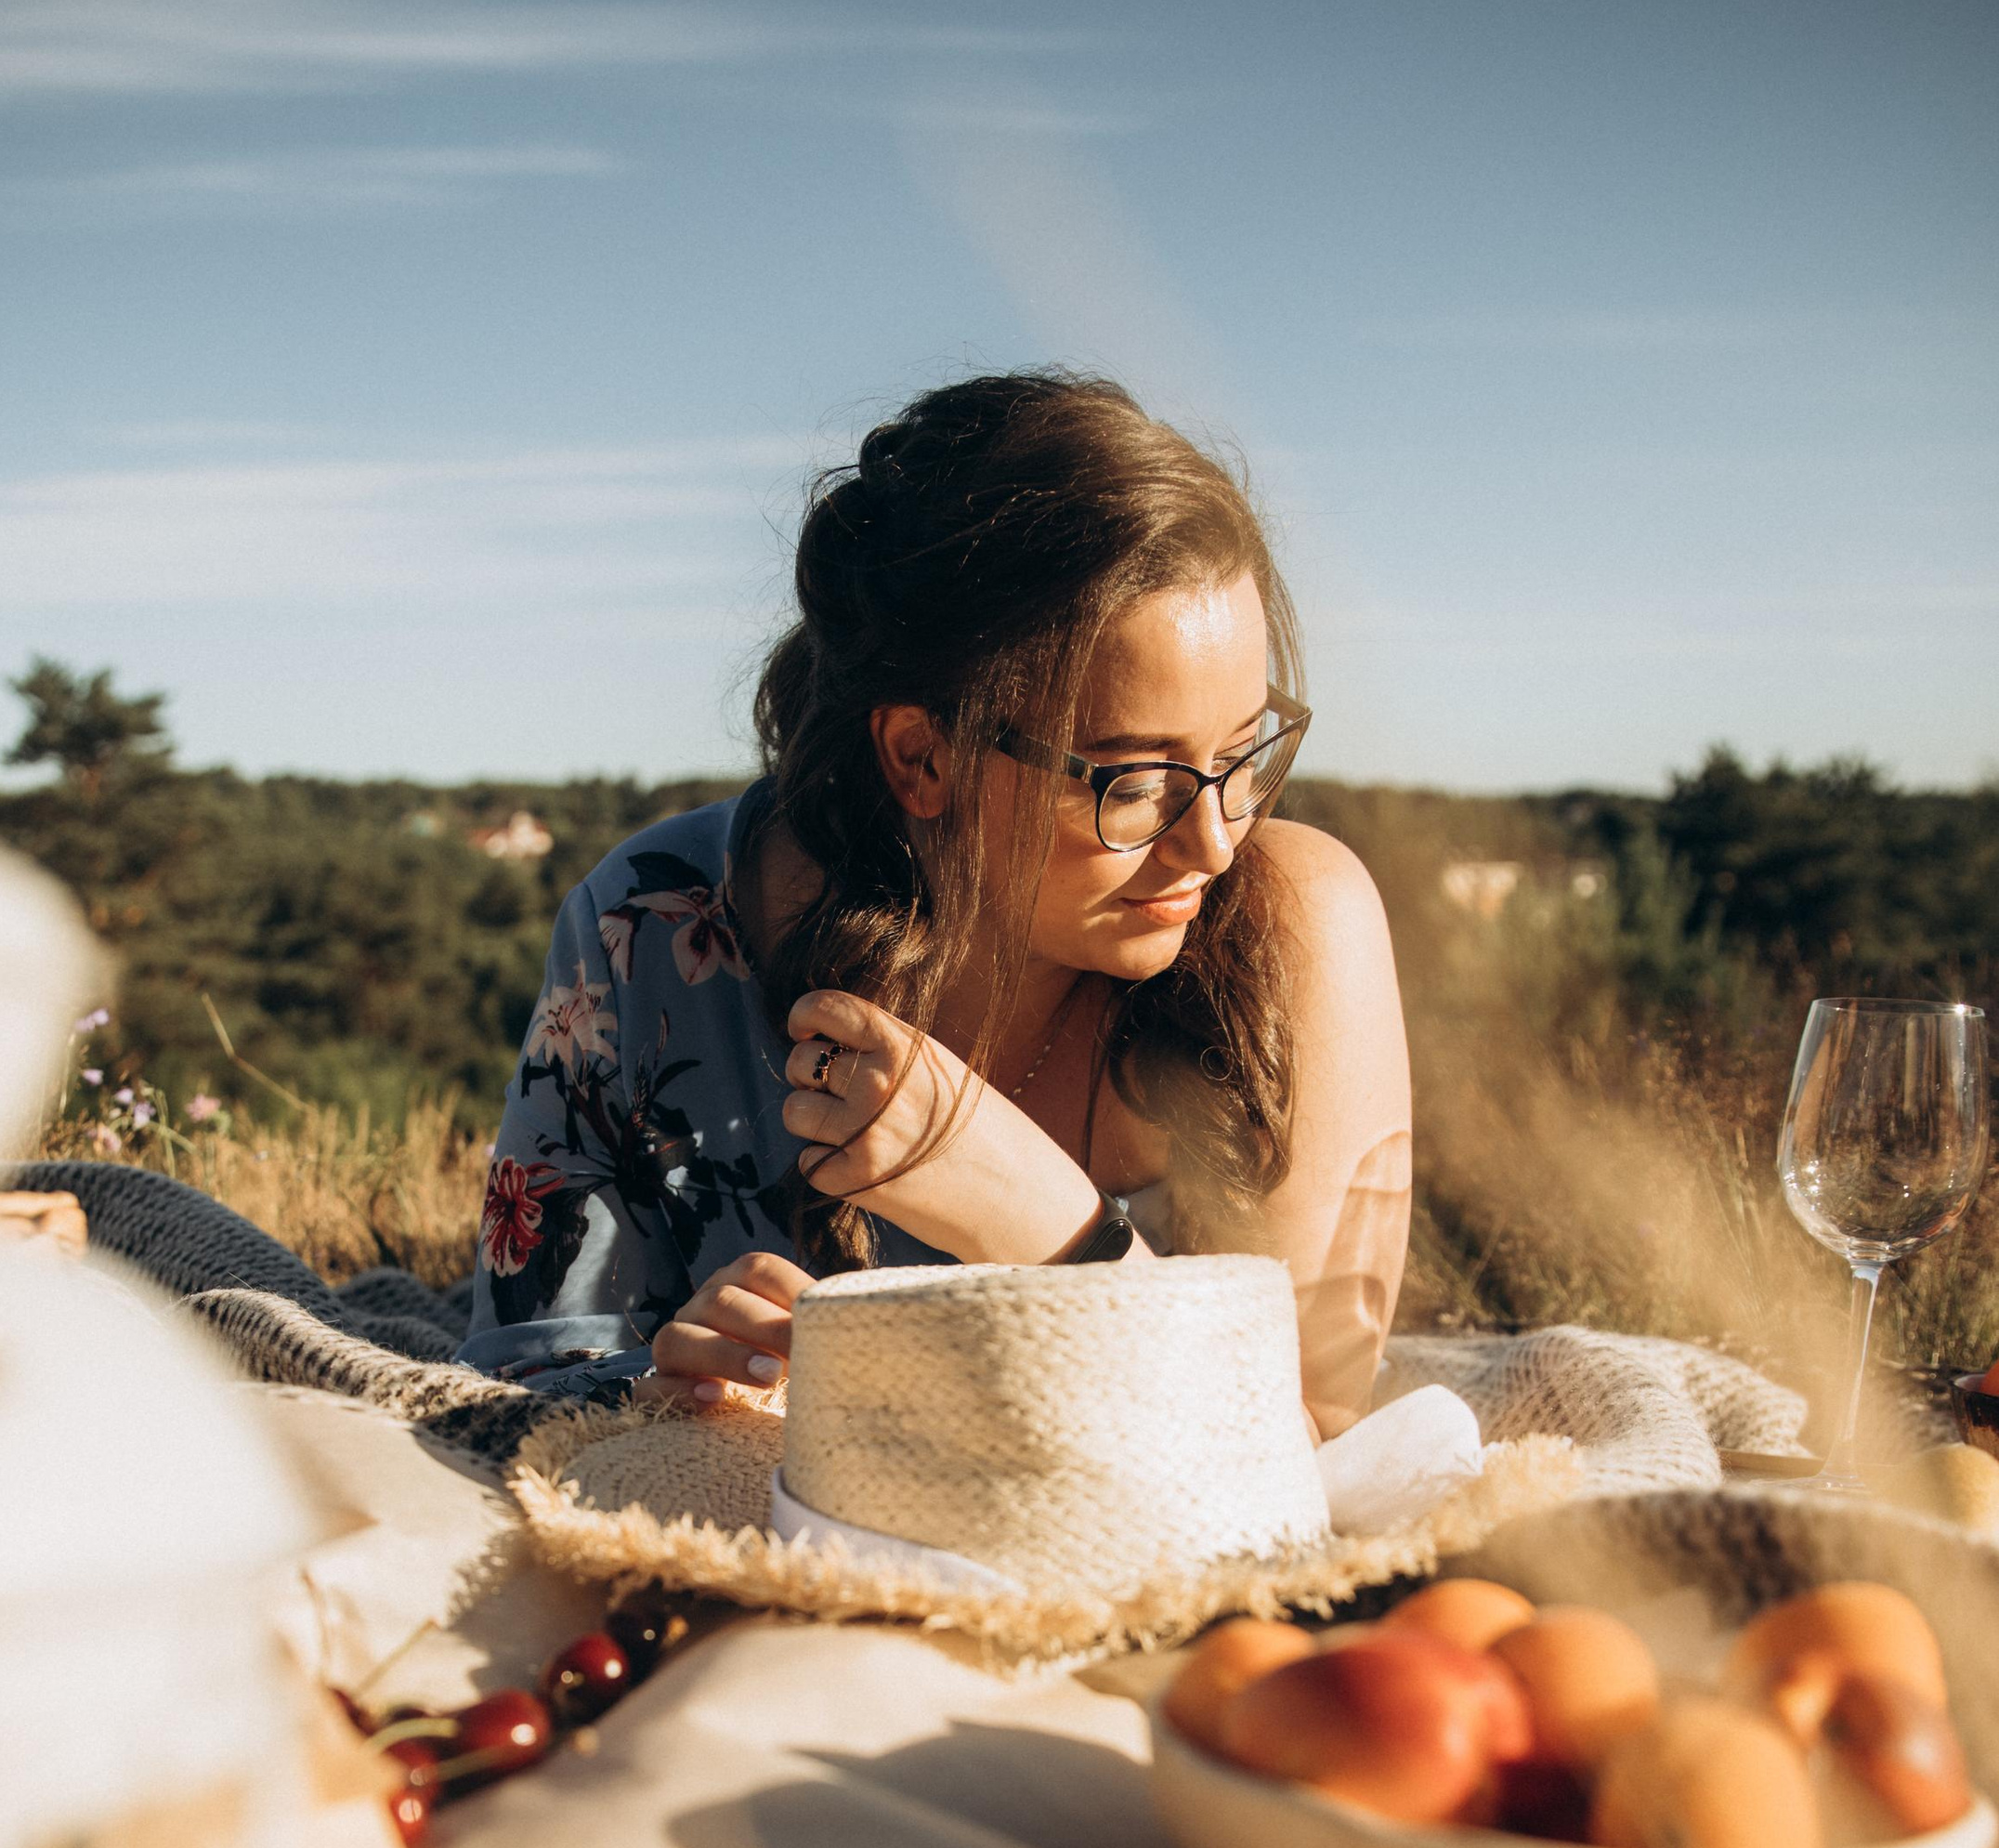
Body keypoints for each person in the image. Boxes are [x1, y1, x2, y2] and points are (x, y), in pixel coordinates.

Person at [463, 371, 1411, 1440]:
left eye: (1243, 754)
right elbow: (518, 1375)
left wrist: (1046, 1225)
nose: (1214, 839)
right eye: (1131, 782)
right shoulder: (650, 931)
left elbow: (1303, 1439)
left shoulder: (1291, 924)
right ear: (922, 755)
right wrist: (661, 1389)